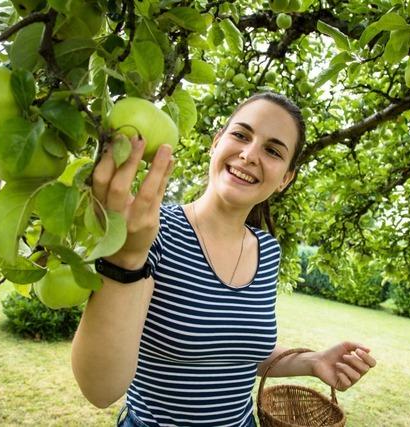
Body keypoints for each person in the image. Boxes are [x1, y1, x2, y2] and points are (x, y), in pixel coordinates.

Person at [71, 92, 377, 427]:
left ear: (285, 179)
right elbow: (100, 390)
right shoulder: (152, 231)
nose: (248, 155)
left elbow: (237, 355)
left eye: (273, 150)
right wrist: (126, 257)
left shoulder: (268, 251)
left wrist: (312, 361)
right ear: (216, 144)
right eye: (241, 135)